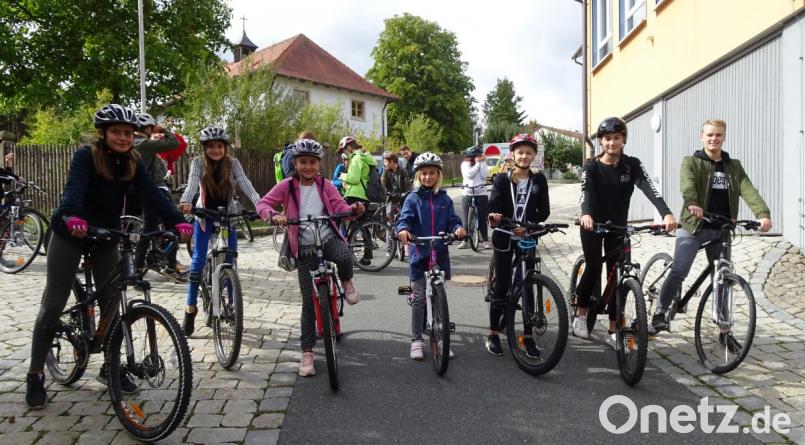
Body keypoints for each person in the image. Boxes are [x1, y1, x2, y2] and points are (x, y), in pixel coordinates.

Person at [25, 104, 193, 410]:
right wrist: (74, 217)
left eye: (128, 132)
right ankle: (36, 373)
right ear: (103, 134)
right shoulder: (86, 157)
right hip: (70, 230)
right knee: (53, 303)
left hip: (106, 233)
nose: (123, 137)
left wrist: (175, 221)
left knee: (113, 301)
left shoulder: (133, 161)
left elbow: (152, 195)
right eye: (116, 131)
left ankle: (111, 367)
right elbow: (74, 190)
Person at [652, 119, 772, 346]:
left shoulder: (733, 166)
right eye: (710, 135)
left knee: (723, 280)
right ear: (702, 136)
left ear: (724, 137)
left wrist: (762, 214)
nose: (714, 139)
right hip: (694, 226)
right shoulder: (692, 162)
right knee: (680, 269)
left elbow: (748, 189)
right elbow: (687, 185)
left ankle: (725, 331)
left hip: (722, 229)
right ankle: (660, 311)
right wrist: (693, 202)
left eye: (718, 135)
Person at [255, 139, 364, 377]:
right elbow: (263, 204)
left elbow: (338, 207)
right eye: (303, 162)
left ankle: (347, 281)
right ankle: (307, 352)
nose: (308, 167)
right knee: (307, 302)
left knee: (346, 256)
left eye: (313, 162)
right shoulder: (287, 186)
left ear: (319, 164)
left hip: (327, 240)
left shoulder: (325, 185)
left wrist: (352, 210)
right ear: (295, 163)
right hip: (304, 249)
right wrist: (274, 215)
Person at [574, 117, 677, 348]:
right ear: (601, 141)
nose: (612, 142)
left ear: (623, 140)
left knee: (617, 274)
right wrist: (586, 213)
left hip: (618, 227)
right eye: (607, 138)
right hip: (593, 224)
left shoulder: (632, 165)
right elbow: (586, 191)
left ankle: (613, 328)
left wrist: (666, 214)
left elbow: (650, 188)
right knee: (593, 266)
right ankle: (581, 314)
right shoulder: (591, 165)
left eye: (616, 138)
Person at [178, 126, 261, 336]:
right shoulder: (197, 163)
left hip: (227, 218)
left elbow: (246, 184)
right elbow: (191, 185)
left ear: (225, 147)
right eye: (211, 147)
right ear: (205, 148)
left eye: (219, 146)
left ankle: (232, 307)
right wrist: (185, 202)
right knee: (197, 262)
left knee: (230, 261)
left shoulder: (233, 164)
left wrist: (260, 205)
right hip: (204, 215)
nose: (215, 150)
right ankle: (190, 308)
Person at [396, 153, 466, 360]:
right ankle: (416, 339)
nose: (428, 177)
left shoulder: (445, 199)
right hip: (419, 254)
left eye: (432, 173)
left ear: (438, 175)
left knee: (439, 299)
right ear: (418, 175)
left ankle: (442, 340)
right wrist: (403, 231)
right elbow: (404, 220)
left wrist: (458, 228)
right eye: (424, 173)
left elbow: (453, 220)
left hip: (440, 253)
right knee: (418, 298)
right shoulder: (413, 199)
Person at [485, 134, 550, 356]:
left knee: (528, 287)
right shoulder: (502, 179)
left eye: (528, 152)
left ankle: (528, 338)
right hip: (504, 235)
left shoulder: (539, 180)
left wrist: (530, 226)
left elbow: (544, 210)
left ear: (534, 155)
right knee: (502, 286)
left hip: (527, 237)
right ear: (512, 154)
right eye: (520, 152)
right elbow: (493, 205)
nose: (524, 156)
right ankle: (493, 333)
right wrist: (496, 217)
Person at [131, 112, 184, 281]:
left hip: (139, 191)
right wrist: (162, 129)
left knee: (150, 228)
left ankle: (139, 269)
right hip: (149, 191)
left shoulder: (133, 142)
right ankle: (168, 266)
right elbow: (174, 143)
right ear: (146, 128)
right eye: (150, 127)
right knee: (172, 226)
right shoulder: (144, 143)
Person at [339, 135, 378, 265]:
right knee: (361, 224)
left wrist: (343, 176)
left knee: (341, 219)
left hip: (355, 195)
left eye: (344, 150)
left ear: (349, 147)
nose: (344, 153)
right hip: (363, 195)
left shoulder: (356, 158)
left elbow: (354, 179)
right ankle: (366, 256)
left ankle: (347, 253)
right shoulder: (364, 157)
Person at [458, 145, 490, 250]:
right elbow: (469, 175)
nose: (479, 157)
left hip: (481, 193)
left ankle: (485, 240)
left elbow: (484, 175)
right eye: (477, 156)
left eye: (480, 155)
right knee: (466, 218)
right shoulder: (465, 164)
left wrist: (481, 163)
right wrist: (477, 164)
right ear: (471, 157)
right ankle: (465, 240)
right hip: (467, 193)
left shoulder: (482, 163)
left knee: (482, 218)